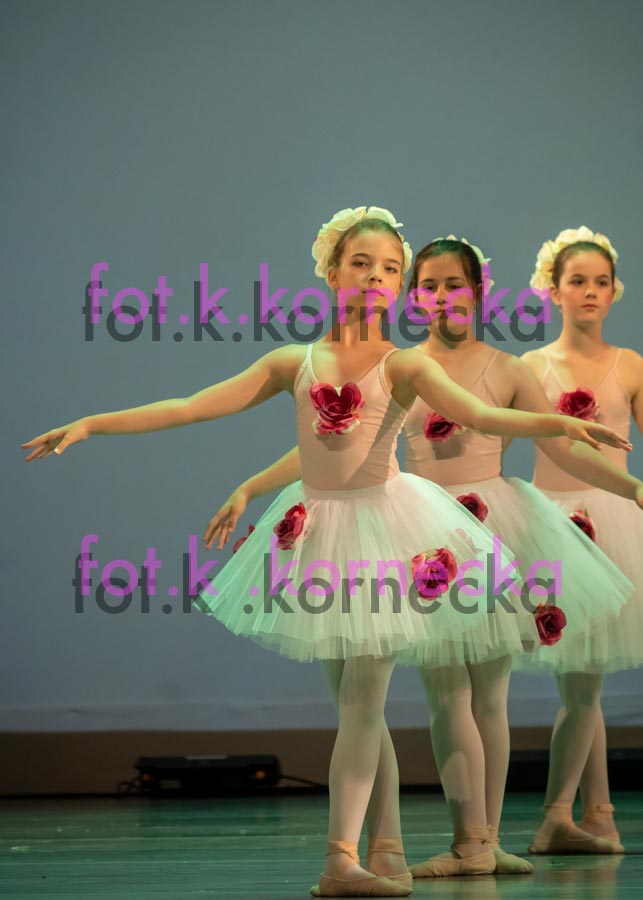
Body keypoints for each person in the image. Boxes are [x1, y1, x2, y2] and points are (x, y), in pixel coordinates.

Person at [22, 209, 632, 897]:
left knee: (366, 704)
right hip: (318, 537)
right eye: (361, 263)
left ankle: (342, 858)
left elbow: (484, 416)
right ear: (331, 271)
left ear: (400, 287)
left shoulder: (404, 364)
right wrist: (93, 423)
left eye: (389, 268)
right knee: (354, 709)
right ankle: (387, 851)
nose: (375, 277)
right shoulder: (294, 362)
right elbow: (193, 404)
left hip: (384, 537)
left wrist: (557, 421)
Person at [520, 226, 643, 855]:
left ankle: (581, 814)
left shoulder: (631, 365)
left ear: (614, 291)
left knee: (584, 679)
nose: (590, 291)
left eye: (600, 282)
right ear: (554, 289)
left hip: (615, 522)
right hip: (552, 524)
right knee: (578, 680)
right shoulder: (530, 367)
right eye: (577, 281)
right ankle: (586, 814)